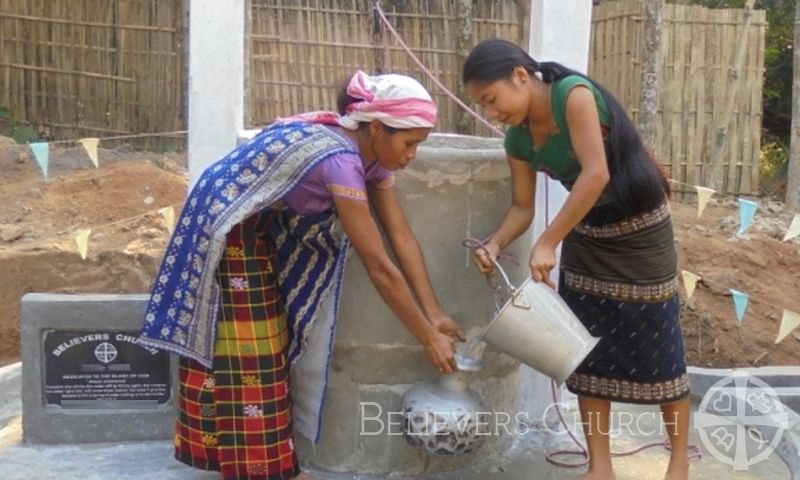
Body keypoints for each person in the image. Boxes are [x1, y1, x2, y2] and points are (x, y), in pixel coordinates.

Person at [139, 71, 465, 480]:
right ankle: (267, 471)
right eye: (410, 143)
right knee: (253, 346)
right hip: (228, 224)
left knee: (267, 341)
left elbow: (400, 238)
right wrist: (426, 337)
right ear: (378, 128)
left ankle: (267, 466)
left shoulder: (373, 160)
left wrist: (434, 313)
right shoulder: (341, 162)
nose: (413, 154)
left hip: (257, 225)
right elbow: (379, 265)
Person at [462, 38, 691, 480]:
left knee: (661, 351)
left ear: (520, 76)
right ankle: (599, 467)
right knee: (586, 354)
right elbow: (522, 208)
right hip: (587, 235)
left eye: (492, 99)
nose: (492, 112)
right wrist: (494, 243)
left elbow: (596, 172)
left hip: (642, 232)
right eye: (484, 105)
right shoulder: (517, 140)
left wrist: (548, 243)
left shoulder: (574, 95)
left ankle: (678, 464)